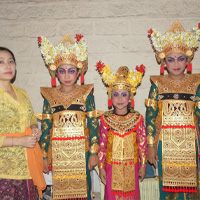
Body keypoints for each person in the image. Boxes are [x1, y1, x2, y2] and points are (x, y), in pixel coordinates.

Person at [38, 33, 100, 200]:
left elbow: (93, 124)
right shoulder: (49, 95)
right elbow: (45, 127)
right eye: (62, 71)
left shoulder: (87, 94)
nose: (66, 75)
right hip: (58, 153)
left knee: (83, 191)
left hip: (82, 151)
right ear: (55, 72)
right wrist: (44, 155)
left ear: (78, 71)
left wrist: (94, 152)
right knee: (61, 192)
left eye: (71, 71)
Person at [146, 20, 200, 199]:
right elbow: (150, 117)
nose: (176, 63)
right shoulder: (157, 84)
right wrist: (151, 146)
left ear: (188, 59)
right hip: (164, 144)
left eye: (180, 58)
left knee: (192, 189)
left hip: (191, 144)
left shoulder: (196, 83)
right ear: (163, 61)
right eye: (170, 59)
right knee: (167, 189)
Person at [96, 61, 147, 200]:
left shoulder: (137, 118)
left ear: (130, 96)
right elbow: (102, 145)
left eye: (124, 94)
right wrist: (101, 167)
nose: (119, 99)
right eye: (115, 94)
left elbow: (142, 144)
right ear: (110, 97)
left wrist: (143, 165)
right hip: (111, 167)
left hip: (133, 165)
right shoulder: (105, 119)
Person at [0, 46, 45, 199]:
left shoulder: (22, 92)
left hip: (28, 164)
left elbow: (31, 116)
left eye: (11, 61)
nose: (8, 66)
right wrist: (19, 141)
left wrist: (34, 127)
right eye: (1, 62)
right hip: (5, 168)